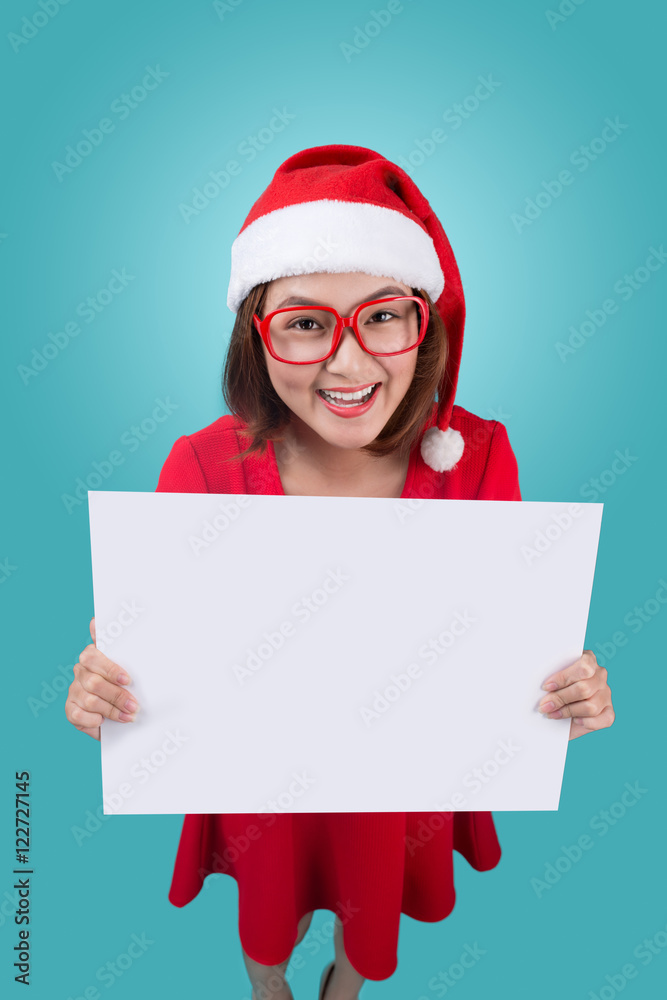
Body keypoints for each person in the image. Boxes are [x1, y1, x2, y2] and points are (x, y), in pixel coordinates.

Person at [65, 145, 615, 1000]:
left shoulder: (475, 456)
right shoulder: (204, 465)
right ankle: (268, 986)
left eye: (382, 315)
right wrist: (106, 688)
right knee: (266, 911)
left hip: (404, 784)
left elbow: (507, 639)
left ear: (423, 320)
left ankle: (346, 988)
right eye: (306, 321)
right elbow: (151, 658)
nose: (349, 365)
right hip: (258, 791)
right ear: (257, 330)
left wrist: (560, 695)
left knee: (374, 898)